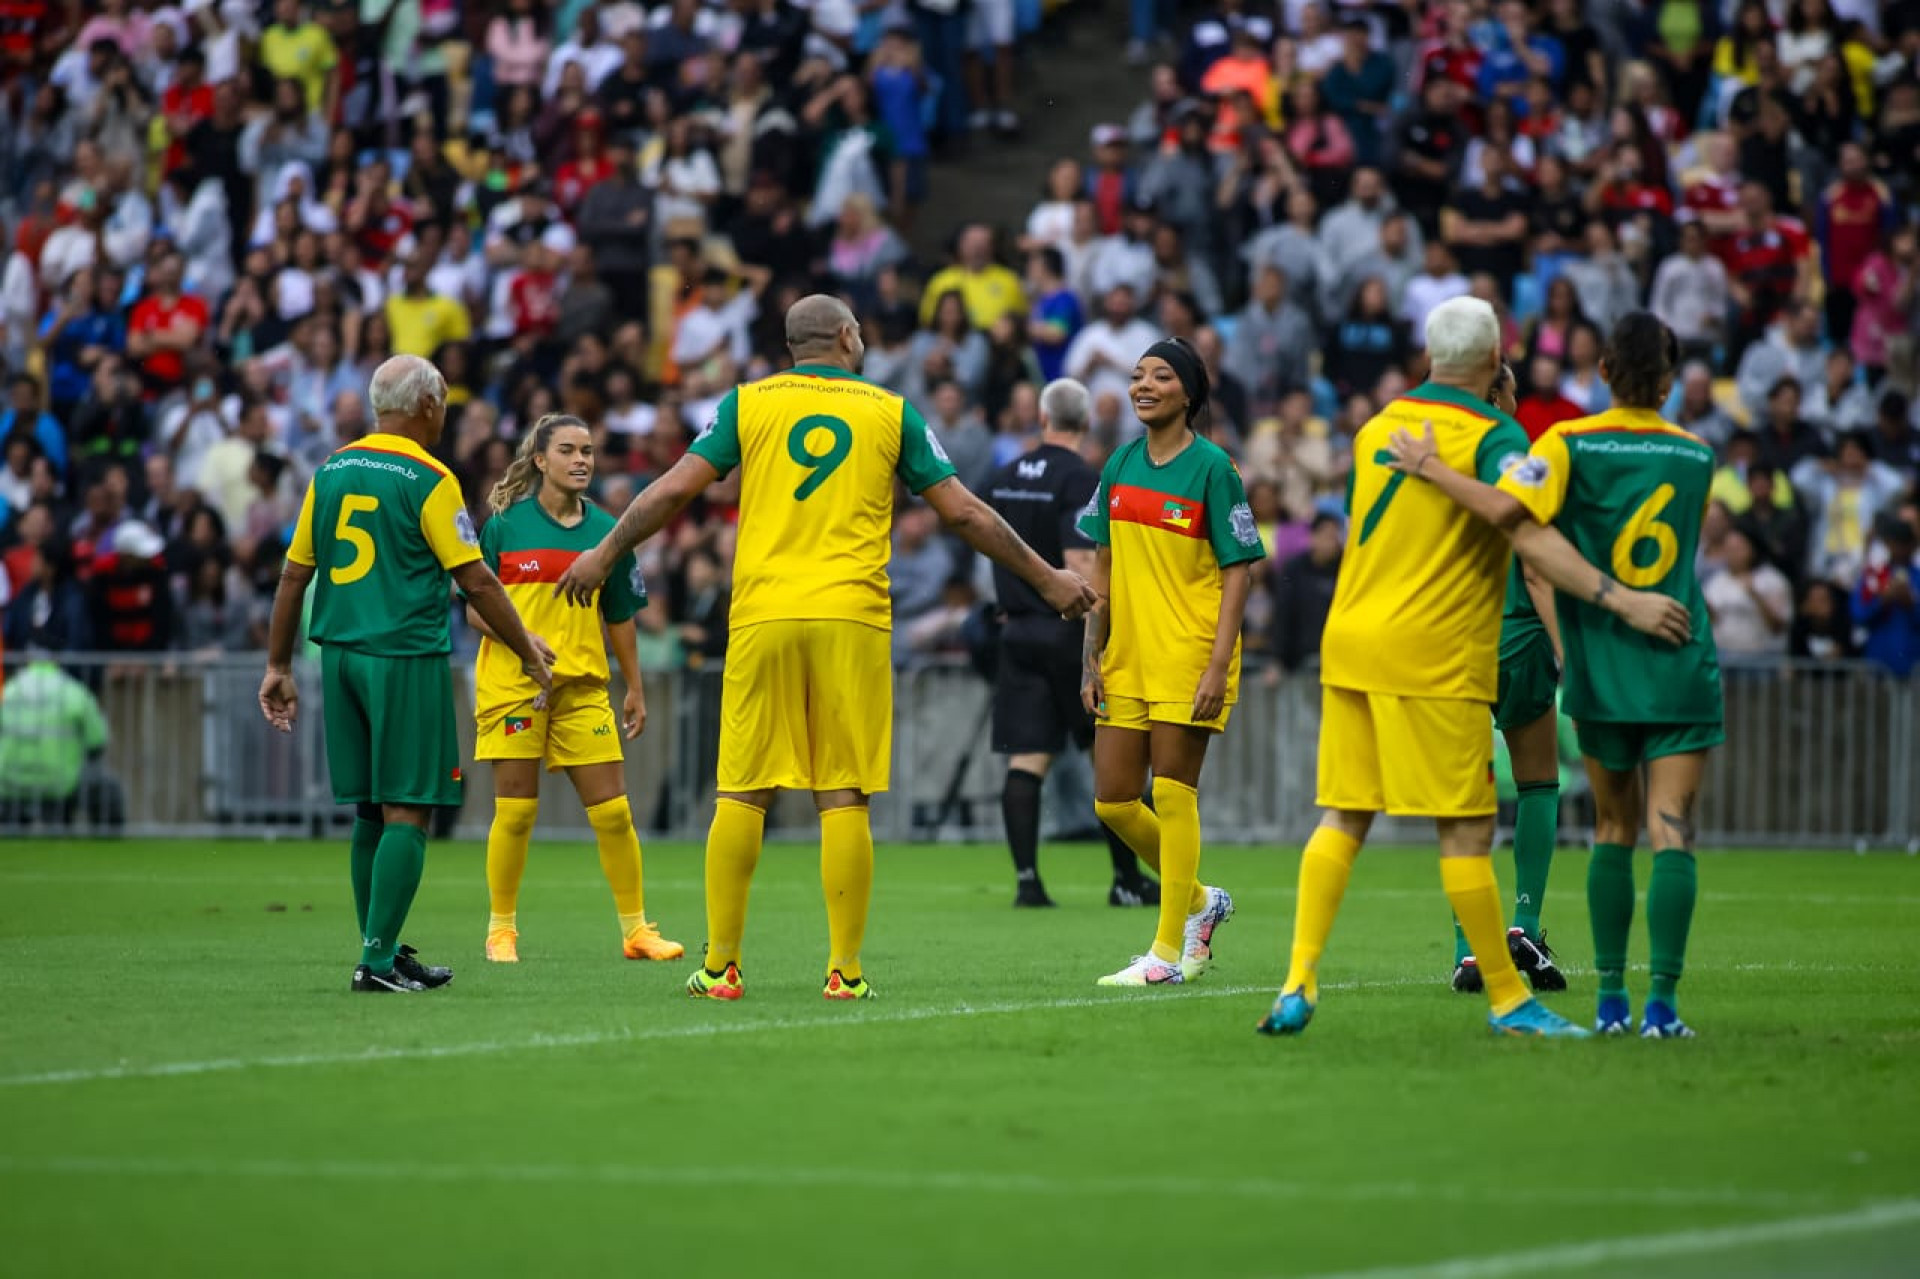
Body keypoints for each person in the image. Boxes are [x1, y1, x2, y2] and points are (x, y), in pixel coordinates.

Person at [555, 295, 1096, 1001]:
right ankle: (844, 970)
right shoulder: (890, 411)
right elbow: (962, 510)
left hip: (763, 614)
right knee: (841, 791)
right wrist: (1049, 575)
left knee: (742, 788)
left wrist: (604, 550)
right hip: (851, 615)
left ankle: (721, 967)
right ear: (846, 336)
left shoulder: (746, 405)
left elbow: (674, 489)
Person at [1258, 298, 1689, 1040]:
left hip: (1353, 640)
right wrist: (1619, 600)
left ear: (1429, 355)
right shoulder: (1495, 433)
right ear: (1494, 362)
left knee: (1344, 814)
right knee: (1465, 831)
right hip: (1437, 648)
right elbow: (1524, 531)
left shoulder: (1372, 428)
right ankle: (1508, 1000)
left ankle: (1298, 983)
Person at [1389, 312, 1724, 1039]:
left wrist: (1434, 467)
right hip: (1667, 648)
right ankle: (1653, 1004)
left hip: (1545, 649)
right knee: (1664, 828)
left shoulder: (1563, 444)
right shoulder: (1699, 455)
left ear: (1602, 369)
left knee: (1600, 823)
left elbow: (1515, 514)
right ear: (1670, 381)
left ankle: (1592, 996)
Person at [260, 355, 554, 995]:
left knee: (370, 810)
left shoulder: (331, 469)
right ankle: (377, 958)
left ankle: (382, 948)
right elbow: (473, 578)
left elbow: (292, 575)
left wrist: (278, 664)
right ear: (427, 405)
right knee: (409, 809)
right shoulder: (430, 477)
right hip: (402, 655)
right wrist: (527, 651)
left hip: (337, 655)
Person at [1076, 338, 1265, 987]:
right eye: (1136, 376)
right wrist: (1090, 657)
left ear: (1189, 393)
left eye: (1159, 376)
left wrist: (1219, 665)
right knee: (1113, 800)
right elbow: (1101, 567)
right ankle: (1200, 902)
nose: (1143, 385)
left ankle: (1165, 954)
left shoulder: (1215, 468)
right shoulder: (1119, 463)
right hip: (1127, 654)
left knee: (1172, 792)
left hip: (1190, 654)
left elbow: (1240, 571)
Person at [468, 414, 681, 966]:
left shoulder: (609, 533)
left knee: (613, 814)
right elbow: (475, 608)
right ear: (541, 460)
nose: (582, 459)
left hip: (583, 688)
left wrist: (634, 687)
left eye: (588, 450)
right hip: (514, 686)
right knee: (515, 813)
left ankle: (637, 931)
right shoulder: (504, 527)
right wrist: (523, 640)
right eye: (568, 450)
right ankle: (501, 931)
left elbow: (621, 615)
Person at [985, 378, 1157, 909]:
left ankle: (1027, 883)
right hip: (1066, 632)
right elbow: (1081, 563)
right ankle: (1127, 881)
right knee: (1109, 758)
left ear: (1042, 417)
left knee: (1027, 760)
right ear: (1085, 424)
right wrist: (1096, 646)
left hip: (1016, 630)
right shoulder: (1081, 476)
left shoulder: (1006, 475)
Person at [1448, 361, 1567, 996]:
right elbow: (1540, 562)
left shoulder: (1440, 457)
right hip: (1518, 634)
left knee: (1463, 801)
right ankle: (1522, 922)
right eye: (1514, 390)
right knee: (1538, 784)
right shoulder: (1514, 456)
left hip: (1456, 642)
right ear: (1497, 394)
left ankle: (1470, 947)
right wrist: (1562, 644)